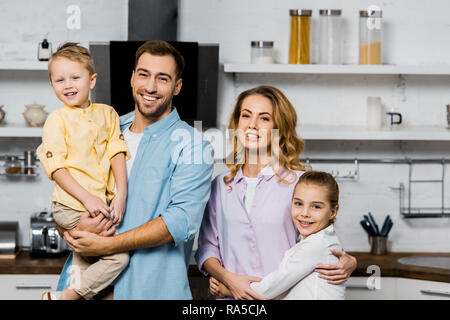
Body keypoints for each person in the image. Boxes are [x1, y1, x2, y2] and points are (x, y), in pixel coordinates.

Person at [58, 40, 214, 300]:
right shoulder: (108, 128)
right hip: (82, 287)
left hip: (148, 290)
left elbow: (180, 221)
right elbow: (67, 192)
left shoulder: (194, 145)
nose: (150, 87)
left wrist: (108, 244)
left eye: (162, 79)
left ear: (177, 86)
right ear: (132, 78)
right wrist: (69, 230)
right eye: (144, 74)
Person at [195, 85, 357, 300]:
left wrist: (350, 261)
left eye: (264, 119)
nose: (252, 125)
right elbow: (207, 248)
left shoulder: (299, 183)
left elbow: (319, 238)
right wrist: (227, 279)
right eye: (246, 116)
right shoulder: (221, 185)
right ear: (236, 123)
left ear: (279, 127)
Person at [36, 43, 130, 300]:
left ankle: (61, 297)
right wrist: (87, 199)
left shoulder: (108, 114)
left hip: (99, 205)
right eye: (59, 80)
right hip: (70, 206)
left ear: (92, 80)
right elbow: (56, 168)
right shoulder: (57, 119)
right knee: (119, 257)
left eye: (75, 77)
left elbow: (117, 152)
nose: (67, 85)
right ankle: (65, 297)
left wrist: (121, 193)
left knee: (84, 260)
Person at [216, 170, 346, 300]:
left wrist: (227, 290)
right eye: (298, 203)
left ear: (333, 211)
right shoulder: (318, 241)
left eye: (316, 207)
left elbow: (271, 287)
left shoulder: (317, 244)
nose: (305, 213)